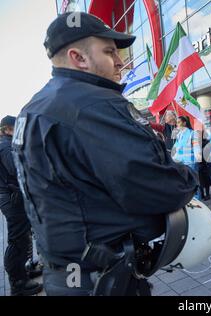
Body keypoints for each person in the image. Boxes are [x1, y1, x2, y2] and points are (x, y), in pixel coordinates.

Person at [12, 12, 198, 295]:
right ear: (79, 58)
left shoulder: (33, 109)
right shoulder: (93, 104)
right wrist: (187, 177)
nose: (121, 61)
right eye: (110, 51)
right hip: (102, 277)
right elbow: (157, 186)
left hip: (64, 274)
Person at [0, 116, 43, 296]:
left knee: (23, 237)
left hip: (12, 196)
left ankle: (24, 272)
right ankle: (18, 284)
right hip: (12, 198)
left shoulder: (6, 143)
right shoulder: (5, 146)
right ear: (8, 129)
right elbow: (16, 170)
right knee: (17, 240)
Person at [172, 116, 202, 200]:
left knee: (194, 183)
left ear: (184, 123)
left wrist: (197, 158)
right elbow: (177, 148)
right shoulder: (179, 135)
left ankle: (198, 201)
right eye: (176, 122)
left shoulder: (192, 133)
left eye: (178, 122)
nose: (177, 124)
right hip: (181, 162)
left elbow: (196, 147)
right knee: (186, 184)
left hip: (191, 162)